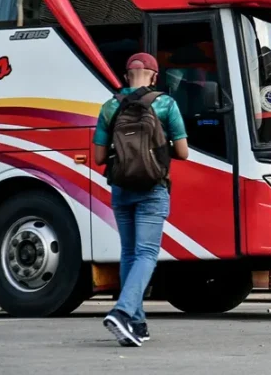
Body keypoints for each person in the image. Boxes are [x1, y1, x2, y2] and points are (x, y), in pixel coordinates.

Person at [93, 53, 189, 347]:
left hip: (121, 187)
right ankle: (122, 311)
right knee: (146, 254)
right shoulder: (165, 104)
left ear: (126, 76)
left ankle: (136, 323)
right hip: (152, 187)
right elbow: (183, 152)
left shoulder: (110, 106)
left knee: (129, 253)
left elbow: (98, 157)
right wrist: (158, 148)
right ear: (154, 76)